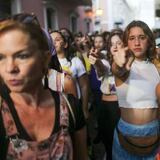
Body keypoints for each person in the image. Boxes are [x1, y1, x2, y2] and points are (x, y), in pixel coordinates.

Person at [0, 20, 88, 160]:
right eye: (2, 57)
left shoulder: (70, 107)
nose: (10, 68)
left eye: (22, 56)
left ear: (45, 58)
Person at [112, 20, 160, 159]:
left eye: (142, 37)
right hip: (126, 138)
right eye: (132, 38)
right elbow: (118, 70)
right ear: (126, 42)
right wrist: (119, 65)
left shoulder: (156, 67)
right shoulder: (124, 65)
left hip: (155, 135)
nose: (137, 42)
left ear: (149, 41)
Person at [88, 29, 122, 160]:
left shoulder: (129, 62)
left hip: (121, 105)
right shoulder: (104, 59)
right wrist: (96, 62)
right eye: (112, 43)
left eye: (118, 43)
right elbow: (102, 68)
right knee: (108, 140)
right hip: (105, 106)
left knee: (121, 139)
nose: (115, 46)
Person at [50, 30, 89, 120]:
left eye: (57, 39)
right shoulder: (46, 64)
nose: (54, 42)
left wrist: (85, 109)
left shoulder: (75, 61)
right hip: (55, 107)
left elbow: (84, 86)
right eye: (51, 40)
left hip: (74, 105)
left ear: (65, 44)